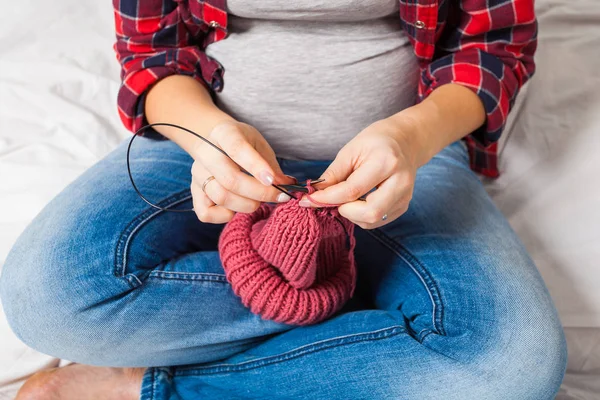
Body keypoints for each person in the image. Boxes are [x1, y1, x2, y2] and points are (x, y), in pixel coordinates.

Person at [0, 0, 567, 399]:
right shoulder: (206, 138)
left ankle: (147, 390)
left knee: (512, 367)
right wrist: (209, 137)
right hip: (204, 143)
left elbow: (495, 47)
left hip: (411, 159)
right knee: (45, 295)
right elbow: (150, 53)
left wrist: (409, 138)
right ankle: (359, 322)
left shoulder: (411, 146)